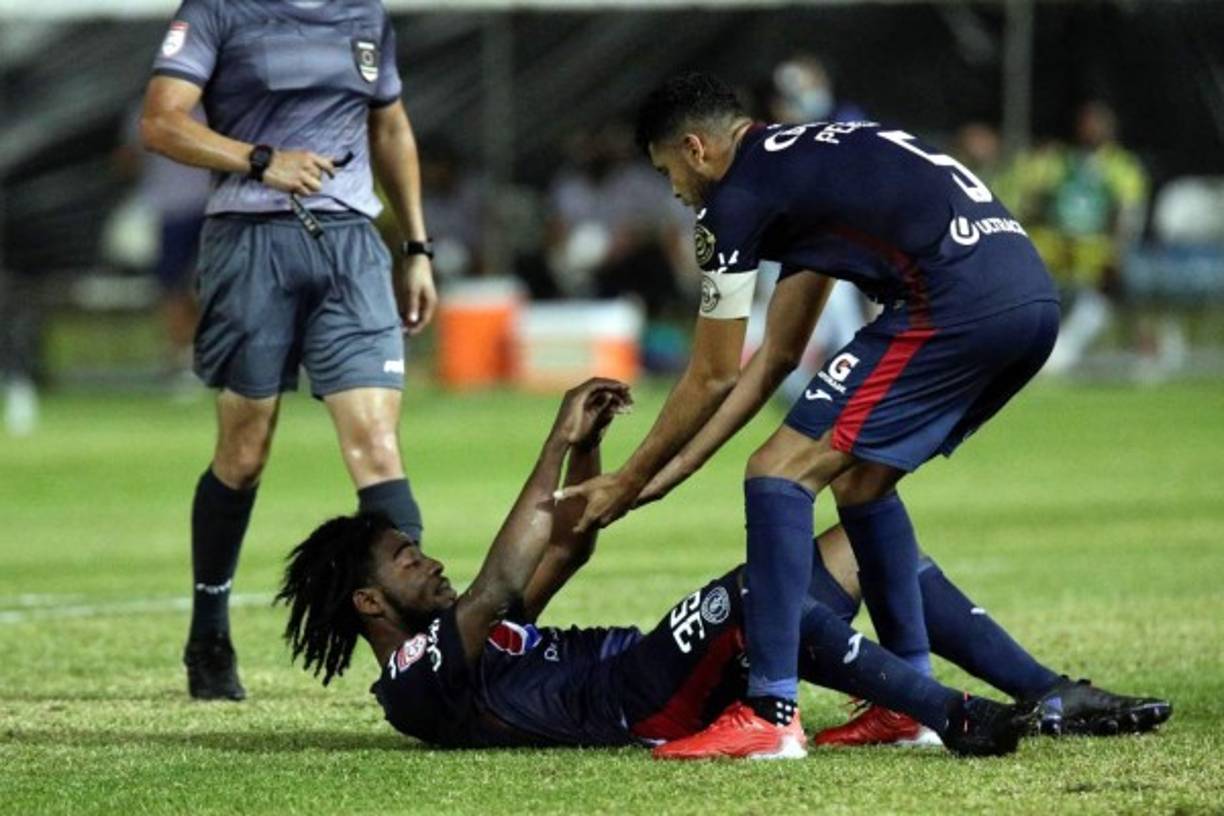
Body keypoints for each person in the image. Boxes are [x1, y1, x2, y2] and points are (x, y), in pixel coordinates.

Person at [555, 73, 1061, 758]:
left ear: (696, 149)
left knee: (778, 471)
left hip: (955, 302)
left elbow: (712, 373)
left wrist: (626, 479)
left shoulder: (734, 201)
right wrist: (673, 472)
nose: (673, 190)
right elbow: (776, 357)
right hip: (1027, 297)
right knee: (859, 481)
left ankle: (770, 711)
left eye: (667, 169)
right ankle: (908, 704)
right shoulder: (804, 165)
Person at [276, 379, 1169, 756]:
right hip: (635, 701)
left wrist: (587, 454)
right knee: (755, 588)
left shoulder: (465, 639)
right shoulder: (413, 683)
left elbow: (568, 544)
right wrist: (553, 436)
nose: (426, 561)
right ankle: (954, 715)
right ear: (368, 601)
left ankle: (1052, 689)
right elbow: (502, 585)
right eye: (405, 558)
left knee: (851, 543)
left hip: (652, 666)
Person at [140, 0, 437, 701]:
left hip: (351, 246)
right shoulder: (217, 12)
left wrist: (418, 247)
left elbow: (390, 126)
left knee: (377, 448)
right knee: (244, 455)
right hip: (249, 243)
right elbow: (161, 121)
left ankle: (420, 659)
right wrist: (259, 160)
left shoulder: (364, 15)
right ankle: (208, 635)